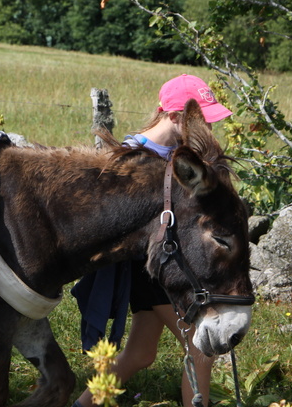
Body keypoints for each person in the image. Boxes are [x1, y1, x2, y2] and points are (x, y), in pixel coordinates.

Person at [72, 74, 234, 407]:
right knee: (201, 348)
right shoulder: (136, 156)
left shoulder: (174, 153)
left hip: (163, 270)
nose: (209, 130)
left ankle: (82, 405)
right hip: (152, 271)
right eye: (203, 121)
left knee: (141, 354)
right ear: (175, 117)